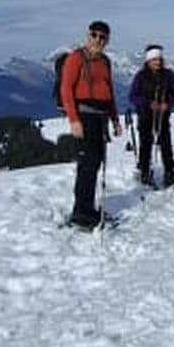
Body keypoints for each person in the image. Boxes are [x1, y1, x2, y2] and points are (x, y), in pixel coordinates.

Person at [60, 20, 122, 228]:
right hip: (84, 117)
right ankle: (81, 213)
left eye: (102, 37)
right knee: (87, 165)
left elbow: (109, 92)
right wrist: (74, 120)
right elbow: (66, 90)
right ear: (88, 35)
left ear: (107, 40)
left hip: (100, 118)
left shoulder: (105, 61)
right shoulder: (76, 58)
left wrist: (115, 119)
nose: (98, 40)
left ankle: (87, 209)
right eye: (94, 35)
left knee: (94, 163)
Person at [127, 44, 174, 187]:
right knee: (145, 143)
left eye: (159, 59)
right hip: (145, 115)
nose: (158, 62)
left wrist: (167, 104)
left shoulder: (168, 75)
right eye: (155, 59)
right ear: (148, 60)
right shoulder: (141, 76)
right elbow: (132, 96)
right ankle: (144, 170)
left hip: (163, 115)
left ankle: (169, 171)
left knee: (165, 143)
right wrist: (147, 103)